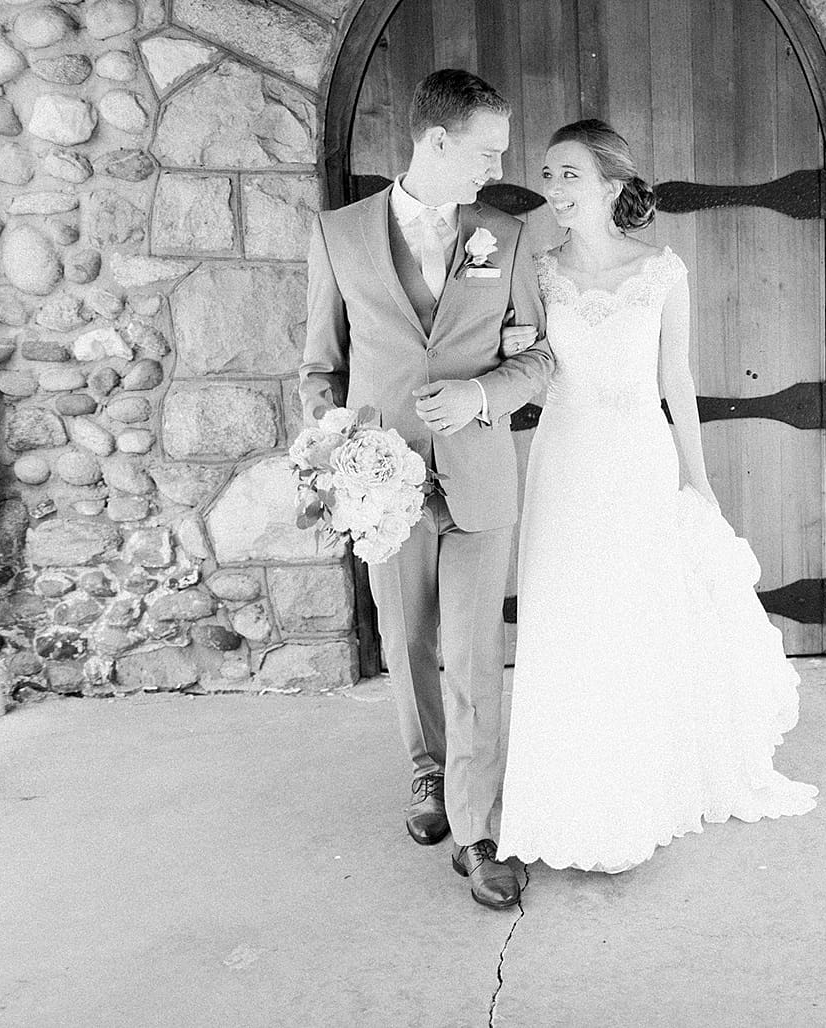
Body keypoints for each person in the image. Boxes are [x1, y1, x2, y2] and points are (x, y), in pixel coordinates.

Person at [496, 119, 817, 874]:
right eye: (546, 176)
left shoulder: (662, 269)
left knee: (634, 616)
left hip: (639, 456)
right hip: (566, 458)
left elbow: (675, 379)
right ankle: (564, 795)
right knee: (569, 612)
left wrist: (696, 479)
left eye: (569, 175)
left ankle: (638, 790)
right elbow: (524, 359)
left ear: (611, 185)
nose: (553, 189)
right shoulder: (535, 272)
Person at [299, 69, 552, 910]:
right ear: (435, 142)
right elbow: (320, 369)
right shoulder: (337, 234)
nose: (494, 169)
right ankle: (429, 774)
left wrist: (485, 394)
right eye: (484, 152)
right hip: (384, 485)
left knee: (476, 652)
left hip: (478, 474)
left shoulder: (505, 236)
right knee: (406, 643)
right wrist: (336, 458)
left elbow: (541, 359)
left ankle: (477, 828)